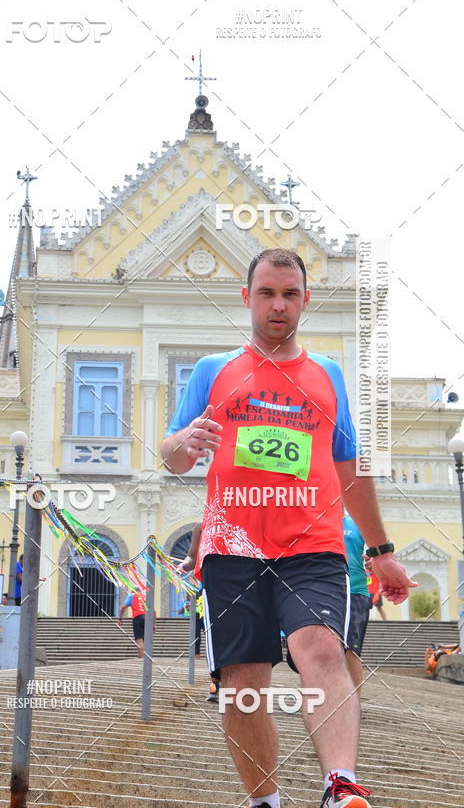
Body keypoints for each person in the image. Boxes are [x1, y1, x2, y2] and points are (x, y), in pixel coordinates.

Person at [160, 248, 416, 808]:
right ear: (246, 297)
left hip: (313, 545)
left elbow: (349, 468)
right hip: (234, 549)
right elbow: (171, 454)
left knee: (321, 648)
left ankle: (339, 785)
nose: (279, 305)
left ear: (304, 300)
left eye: (291, 294)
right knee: (244, 686)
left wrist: (381, 550)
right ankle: (264, 801)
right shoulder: (212, 371)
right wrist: (185, 444)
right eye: (268, 293)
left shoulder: (326, 376)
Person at [343, 514, 372, 693]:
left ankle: (354, 703)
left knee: (351, 649)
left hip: (355, 592)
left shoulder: (358, 520)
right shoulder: (318, 518)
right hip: (327, 591)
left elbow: (375, 551)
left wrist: (373, 560)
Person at [117, 590, 155, 658]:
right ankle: (147, 659)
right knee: (147, 640)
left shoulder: (132, 595)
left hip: (138, 618)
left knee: (139, 640)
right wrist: (154, 623)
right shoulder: (145, 596)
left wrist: (120, 618)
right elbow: (154, 611)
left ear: (132, 591)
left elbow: (123, 607)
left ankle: (141, 658)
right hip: (147, 618)